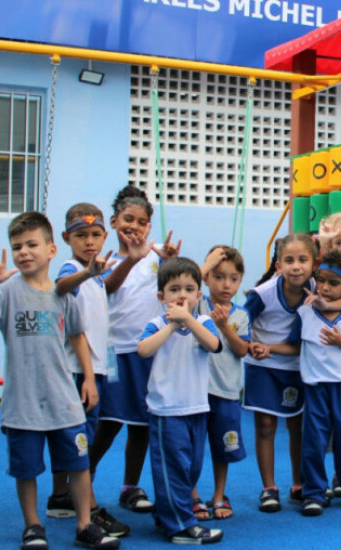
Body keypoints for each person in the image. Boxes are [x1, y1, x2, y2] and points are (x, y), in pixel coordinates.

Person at [0, 211, 120, 550]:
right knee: (26, 469)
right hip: (23, 404)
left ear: (51, 250)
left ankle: (84, 525)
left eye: (32, 244)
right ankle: (33, 525)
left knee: (78, 464)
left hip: (63, 400)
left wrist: (89, 378)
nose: (23, 252)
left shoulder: (65, 293)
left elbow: (78, 335)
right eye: (17, 246)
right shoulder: (6, 291)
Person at [243, 233, 341, 513]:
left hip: (299, 366)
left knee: (300, 428)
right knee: (265, 426)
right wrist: (248, 345)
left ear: (314, 264)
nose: (296, 266)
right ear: (278, 266)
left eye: (302, 260)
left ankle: (301, 484)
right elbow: (240, 319)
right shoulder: (263, 293)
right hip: (266, 365)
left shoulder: (318, 287)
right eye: (288, 260)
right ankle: (269, 488)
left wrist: (326, 305)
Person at [90, 185, 181, 515]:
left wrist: (170, 262)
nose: (134, 226)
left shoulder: (159, 255)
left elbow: (178, 283)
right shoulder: (105, 260)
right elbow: (108, 288)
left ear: (149, 227)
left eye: (142, 222)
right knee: (110, 422)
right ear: (114, 222)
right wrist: (130, 260)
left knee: (142, 424)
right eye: (128, 219)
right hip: (116, 352)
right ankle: (83, 480)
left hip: (150, 351)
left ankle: (130, 486)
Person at [46, 203, 130, 538]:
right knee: (81, 439)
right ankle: (89, 509)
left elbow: (105, 285)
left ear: (105, 235)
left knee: (78, 436)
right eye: (81, 235)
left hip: (92, 368)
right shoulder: (72, 270)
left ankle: (61, 496)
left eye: (95, 235)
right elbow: (62, 286)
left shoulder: (95, 275)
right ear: (66, 238)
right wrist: (90, 377)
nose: (89, 241)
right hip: (79, 373)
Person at [137, 257, 225, 545]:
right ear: (162, 297)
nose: (183, 295)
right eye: (175, 290)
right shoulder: (156, 324)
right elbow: (144, 350)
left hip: (197, 408)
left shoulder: (203, 322)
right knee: (172, 467)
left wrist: (188, 320)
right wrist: (173, 326)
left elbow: (213, 345)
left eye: (189, 289)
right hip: (166, 411)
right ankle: (180, 525)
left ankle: (168, 514)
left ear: (199, 295)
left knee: (192, 467)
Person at [284, 249, 341, 516]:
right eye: (321, 280)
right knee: (314, 441)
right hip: (315, 387)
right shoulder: (305, 312)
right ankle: (313, 492)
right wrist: (265, 348)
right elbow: (293, 346)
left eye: (333, 283)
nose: (324, 287)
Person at [189, 245, 251, 521]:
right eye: (218, 276)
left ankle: (218, 494)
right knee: (192, 446)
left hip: (226, 392)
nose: (226, 284)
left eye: (233, 278)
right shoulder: (197, 304)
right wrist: (207, 263)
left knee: (223, 447)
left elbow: (242, 350)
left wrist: (225, 326)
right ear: (207, 278)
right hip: (196, 392)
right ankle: (191, 494)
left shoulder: (241, 315)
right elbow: (186, 290)